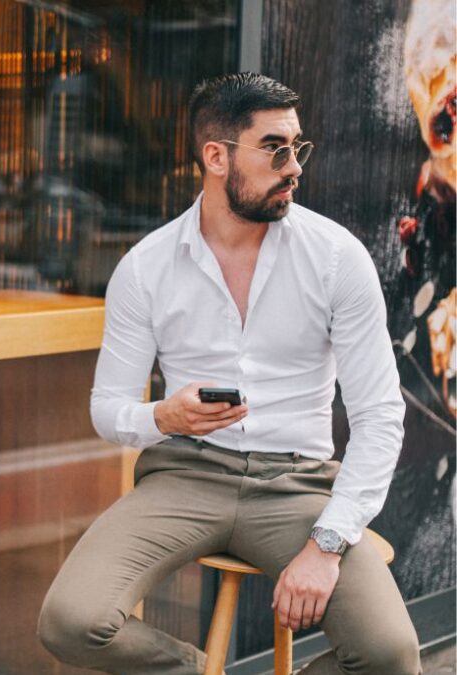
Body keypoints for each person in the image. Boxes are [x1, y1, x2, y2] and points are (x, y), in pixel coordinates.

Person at [37, 73, 421, 675]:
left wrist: (327, 543)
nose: (294, 166)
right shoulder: (146, 268)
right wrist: (161, 416)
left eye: (298, 147)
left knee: (390, 656)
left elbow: (380, 415)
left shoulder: (337, 258)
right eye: (275, 148)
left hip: (298, 485)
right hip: (185, 472)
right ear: (216, 157)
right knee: (71, 621)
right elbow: (108, 408)